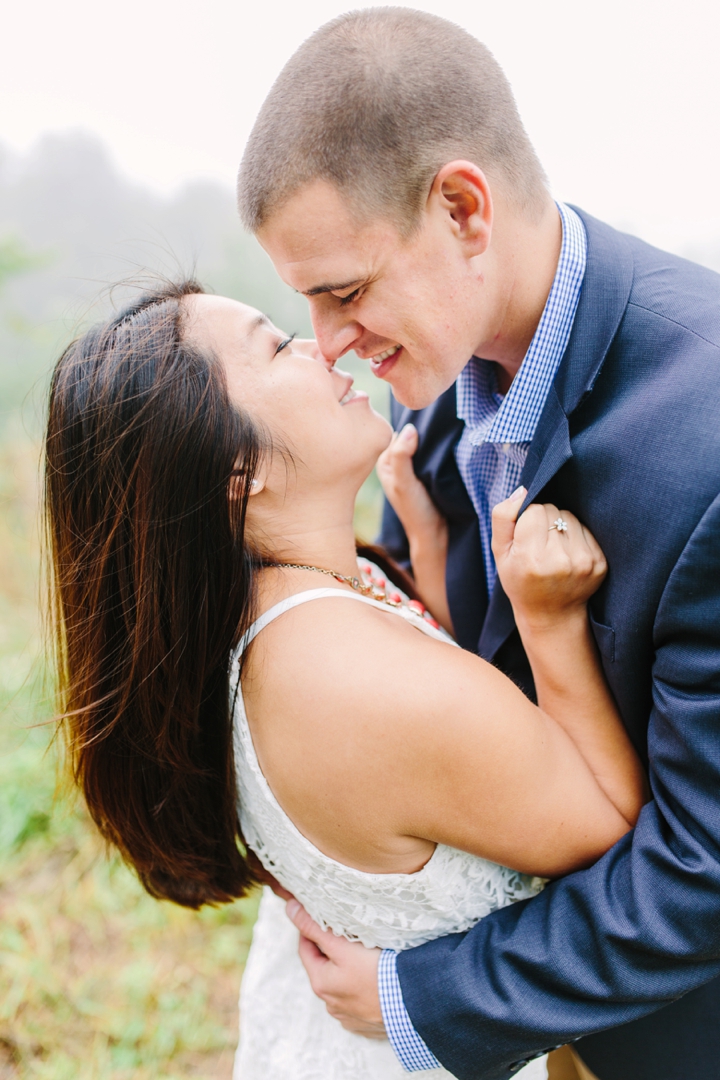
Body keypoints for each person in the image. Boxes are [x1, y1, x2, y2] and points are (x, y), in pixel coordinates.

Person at [236, 8, 720, 1080]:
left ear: (463, 207)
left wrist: (423, 998)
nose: (329, 347)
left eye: (345, 292)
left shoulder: (709, 444)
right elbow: (423, 627)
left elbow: (705, 867)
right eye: (304, 307)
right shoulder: (434, 372)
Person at [45, 282, 646, 1080]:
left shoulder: (258, 610)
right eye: (275, 345)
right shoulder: (348, 682)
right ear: (236, 470)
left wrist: (429, 558)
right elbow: (610, 829)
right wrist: (551, 621)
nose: (318, 346)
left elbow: (444, 751)